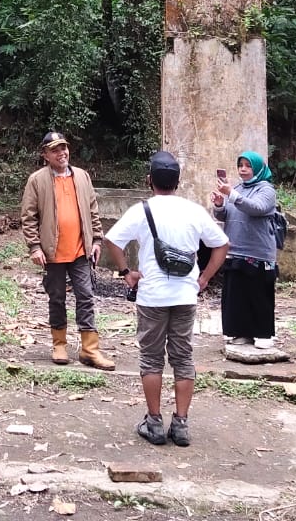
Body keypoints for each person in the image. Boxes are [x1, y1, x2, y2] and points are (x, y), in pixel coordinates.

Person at [104, 151, 229, 447]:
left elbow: (112, 240)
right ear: (178, 182)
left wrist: (127, 272)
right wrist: (204, 278)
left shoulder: (141, 210)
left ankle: (155, 422)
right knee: (183, 358)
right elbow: (222, 245)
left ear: (149, 181)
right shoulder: (193, 210)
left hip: (152, 297)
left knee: (151, 358)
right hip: (186, 295)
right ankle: (182, 424)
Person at [21, 131, 115, 370]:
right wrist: (34, 246)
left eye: (63, 148)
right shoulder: (37, 180)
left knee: (86, 296)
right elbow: (28, 216)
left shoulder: (82, 176)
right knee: (57, 298)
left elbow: (93, 211)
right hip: (52, 253)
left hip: (80, 250)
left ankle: (89, 349)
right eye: (54, 150)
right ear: (45, 155)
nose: (61, 153)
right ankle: (59, 344)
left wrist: (96, 240)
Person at [211, 150, 279, 350]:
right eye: (240, 165)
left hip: (258, 252)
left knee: (259, 295)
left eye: (248, 166)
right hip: (235, 250)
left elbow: (256, 208)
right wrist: (220, 205)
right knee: (237, 296)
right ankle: (242, 334)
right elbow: (227, 216)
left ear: (258, 168)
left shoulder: (266, 190)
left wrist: (231, 194)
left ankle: (264, 334)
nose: (243, 169)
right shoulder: (238, 188)